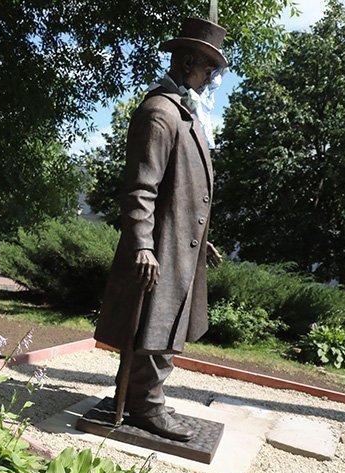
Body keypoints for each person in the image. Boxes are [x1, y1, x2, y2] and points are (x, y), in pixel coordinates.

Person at [93, 17, 227, 441]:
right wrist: (142, 246)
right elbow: (140, 189)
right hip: (160, 248)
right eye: (208, 70)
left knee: (165, 325)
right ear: (188, 61)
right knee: (154, 325)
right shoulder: (160, 113)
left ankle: (134, 395)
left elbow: (184, 192)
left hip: (180, 245)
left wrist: (203, 242)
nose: (210, 79)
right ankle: (143, 404)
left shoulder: (185, 115)